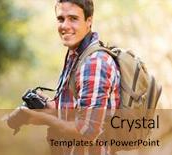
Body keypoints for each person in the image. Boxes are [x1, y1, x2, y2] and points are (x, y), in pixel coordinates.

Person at [22, 0, 121, 154]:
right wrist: (44, 106)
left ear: (89, 21)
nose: (65, 26)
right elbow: (73, 111)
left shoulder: (94, 62)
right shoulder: (75, 55)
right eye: (61, 19)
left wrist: (43, 119)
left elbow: (88, 130)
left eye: (73, 18)